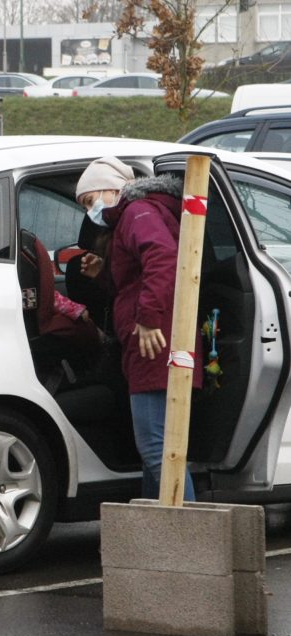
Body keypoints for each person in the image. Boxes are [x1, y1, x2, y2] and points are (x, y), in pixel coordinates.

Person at [75, 156, 202, 501]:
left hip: (153, 341)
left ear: (110, 188)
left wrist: (147, 319)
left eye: (90, 200)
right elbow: (137, 279)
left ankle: (185, 535)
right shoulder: (134, 216)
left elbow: (163, 259)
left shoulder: (137, 213)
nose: (91, 210)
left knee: (157, 448)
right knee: (157, 452)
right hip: (153, 339)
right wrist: (105, 271)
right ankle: (160, 533)